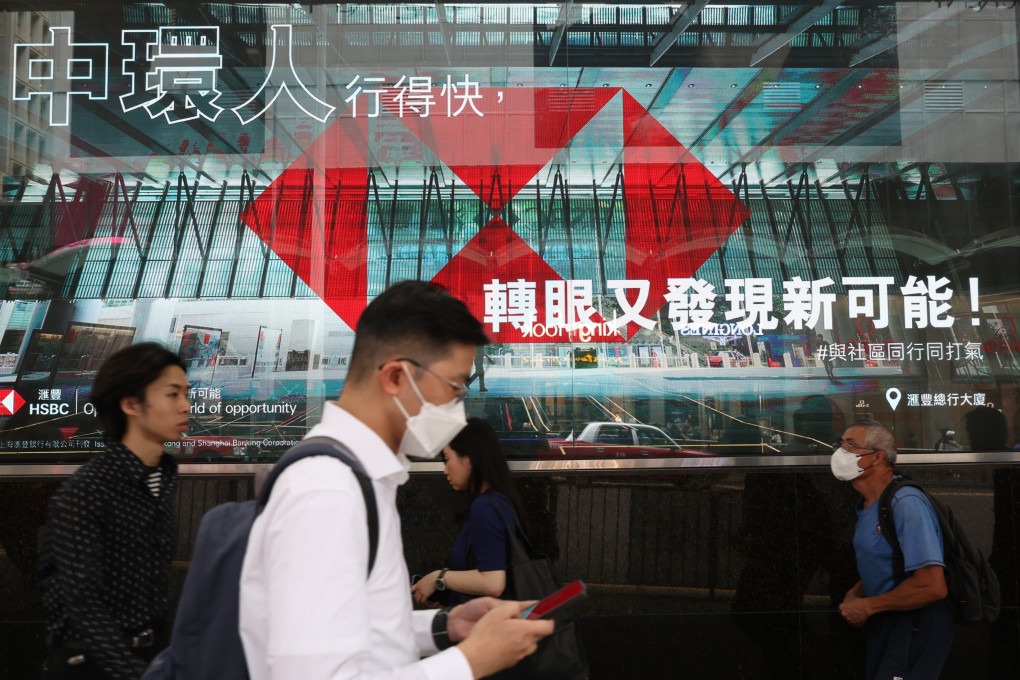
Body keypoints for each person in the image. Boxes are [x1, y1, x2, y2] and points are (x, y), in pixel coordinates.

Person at [239, 281, 553, 680]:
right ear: (395, 377)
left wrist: (445, 625)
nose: (460, 404)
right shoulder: (327, 492)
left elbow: (358, 627)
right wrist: (469, 662)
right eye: (455, 386)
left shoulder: (361, 480)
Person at [38, 343, 190, 679]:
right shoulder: (87, 490)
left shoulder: (162, 476)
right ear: (131, 404)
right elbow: (84, 606)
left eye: (186, 393)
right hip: (93, 666)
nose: (185, 406)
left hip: (150, 655)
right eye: (172, 394)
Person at [835, 419, 953, 680]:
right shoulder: (868, 504)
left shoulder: (905, 503)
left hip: (915, 626)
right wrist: (856, 593)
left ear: (877, 457)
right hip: (888, 620)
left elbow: (932, 586)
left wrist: (867, 607)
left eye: (851, 445)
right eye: (841, 444)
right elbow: (886, 560)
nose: (840, 452)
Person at [411, 418, 525, 607]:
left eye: (447, 459)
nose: (445, 470)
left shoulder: (485, 507)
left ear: (470, 459)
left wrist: (438, 578)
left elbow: (492, 582)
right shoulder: (500, 501)